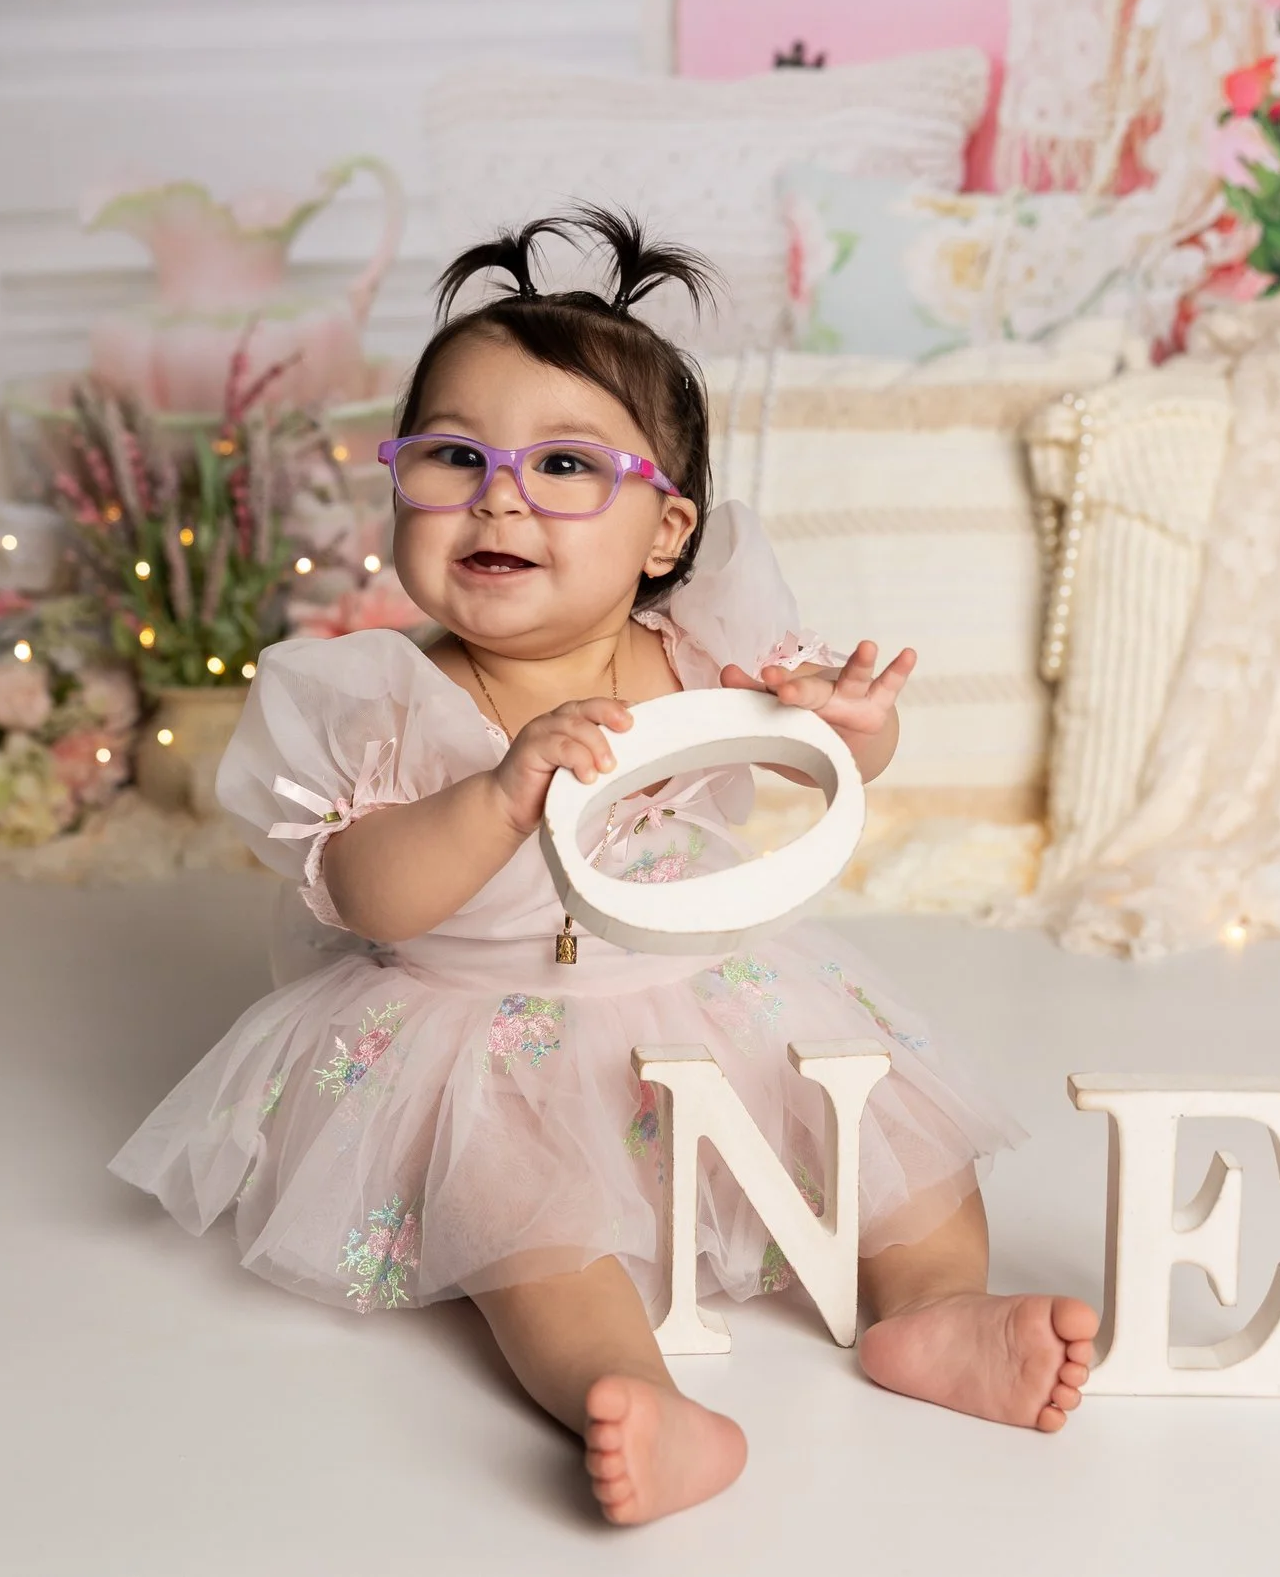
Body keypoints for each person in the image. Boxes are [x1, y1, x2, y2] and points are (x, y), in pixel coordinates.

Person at [113, 208, 1095, 1525]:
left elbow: (821, 764)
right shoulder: (387, 698)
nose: (499, 493)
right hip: (476, 1035)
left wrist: (853, 728)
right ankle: (631, 1393)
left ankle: (936, 1311)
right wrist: (496, 792)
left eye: (565, 463)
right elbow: (364, 892)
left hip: (711, 990)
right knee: (529, 1233)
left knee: (894, 1143)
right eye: (454, 454)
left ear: (665, 530)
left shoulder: (700, 647)